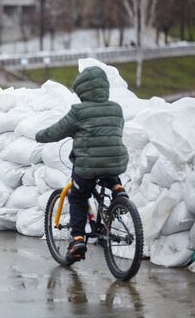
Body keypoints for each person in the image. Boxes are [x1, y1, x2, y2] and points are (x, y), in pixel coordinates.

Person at [35, 66, 129, 263]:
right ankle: (118, 190)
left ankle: (77, 239)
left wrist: (40, 136)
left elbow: (56, 131)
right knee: (107, 162)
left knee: (78, 196)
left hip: (87, 167)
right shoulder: (116, 108)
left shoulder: (78, 111)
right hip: (115, 161)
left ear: (82, 91)